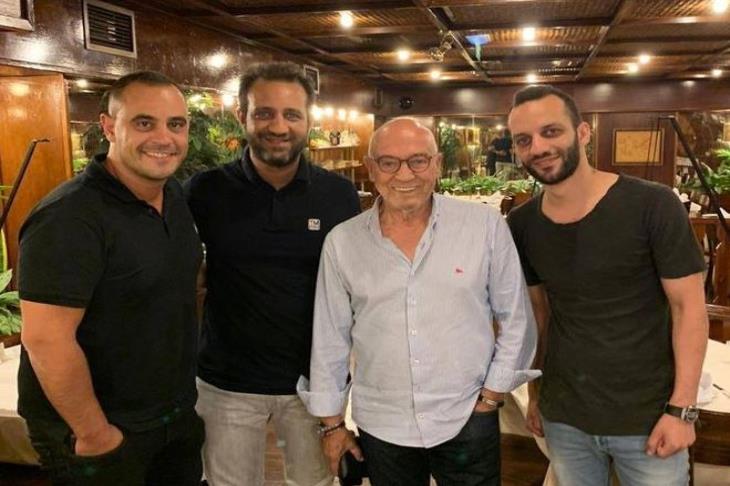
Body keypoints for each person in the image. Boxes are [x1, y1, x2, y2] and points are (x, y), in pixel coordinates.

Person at [298, 117, 539, 486]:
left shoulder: (484, 227)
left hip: (467, 414)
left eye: (418, 160)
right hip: (383, 423)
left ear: (437, 164)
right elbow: (330, 337)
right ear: (371, 168)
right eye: (389, 162)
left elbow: (517, 318)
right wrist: (332, 424)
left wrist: (491, 397)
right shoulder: (342, 242)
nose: (404, 174)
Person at [506, 85, 708, 486]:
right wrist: (537, 394)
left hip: (648, 415)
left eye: (551, 131)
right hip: (565, 417)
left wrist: (682, 410)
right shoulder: (522, 224)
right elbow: (540, 316)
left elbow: (689, 309)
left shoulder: (652, 204)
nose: (538, 147)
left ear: (583, 133)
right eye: (524, 140)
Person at [17, 71, 204, 485]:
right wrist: (94, 434)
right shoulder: (69, 216)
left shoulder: (173, 196)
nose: (164, 137)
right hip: (102, 432)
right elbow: (46, 340)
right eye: (144, 122)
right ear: (108, 127)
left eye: (175, 124)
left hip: (171, 417)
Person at [184, 61, 360, 486]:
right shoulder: (204, 190)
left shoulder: (338, 195)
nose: (278, 126)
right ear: (241, 116)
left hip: (314, 383)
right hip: (226, 382)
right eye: (264, 113)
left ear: (308, 121)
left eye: (291, 114)